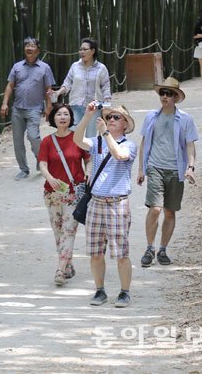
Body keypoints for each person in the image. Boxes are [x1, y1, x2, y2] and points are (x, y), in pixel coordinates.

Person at [73, 102, 137, 308]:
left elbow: (119, 155)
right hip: (96, 203)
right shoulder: (98, 142)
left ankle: (124, 292)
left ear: (125, 124)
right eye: (109, 117)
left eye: (116, 118)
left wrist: (105, 134)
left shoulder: (129, 144)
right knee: (95, 252)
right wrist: (87, 117)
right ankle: (99, 290)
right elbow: (77, 140)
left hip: (117, 204)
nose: (111, 120)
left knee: (121, 252)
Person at [137, 77, 198, 268]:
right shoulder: (151, 117)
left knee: (170, 212)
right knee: (155, 208)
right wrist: (141, 168)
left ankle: (163, 249)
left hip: (175, 169)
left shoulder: (185, 119)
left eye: (169, 94)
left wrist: (190, 167)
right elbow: (144, 143)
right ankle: (149, 248)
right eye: (162, 93)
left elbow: (190, 145)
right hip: (155, 167)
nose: (165, 97)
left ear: (176, 97)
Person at [38, 104, 91, 286]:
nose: (62, 117)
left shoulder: (77, 138)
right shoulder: (47, 141)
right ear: (53, 118)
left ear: (70, 118)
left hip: (73, 192)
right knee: (58, 231)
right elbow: (42, 164)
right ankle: (67, 264)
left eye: (66, 114)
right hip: (52, 193)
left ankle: (60, 269)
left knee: (69, 231)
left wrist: (88, 173)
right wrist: (50, 178)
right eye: (59, 114)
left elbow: (88, 158)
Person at [0, 37, 55, 180]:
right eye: (27, 46)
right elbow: (10, 86)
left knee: (33, 136)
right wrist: (4, 103)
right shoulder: (17, 66)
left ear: (38, 49)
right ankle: (23, 169)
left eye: (32, 45)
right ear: (24, 49)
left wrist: (49, 106)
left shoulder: (44, 68)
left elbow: (48, 89)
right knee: (17, 141)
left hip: (34, 109)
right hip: (17, 109)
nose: (29, 48)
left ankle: (40, 160)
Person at [54, 38, 111, 137]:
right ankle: (74, 153)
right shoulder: (75, 66)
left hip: (95, 107)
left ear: (93, 51)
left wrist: (107, 105)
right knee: (73, 133)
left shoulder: (101, 68)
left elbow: (106, 87)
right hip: (76, 105)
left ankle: (89, 153)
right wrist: (58, 92)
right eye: (80, 49)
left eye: (85, 49)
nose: (82, 52)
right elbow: (67, 83)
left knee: (91, 136)